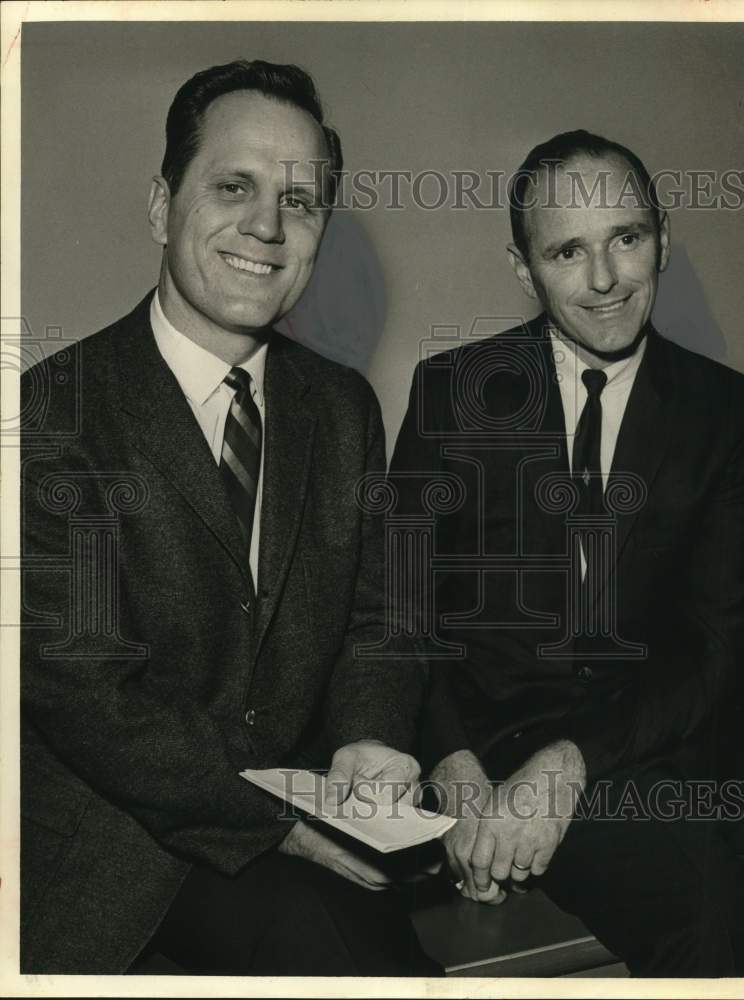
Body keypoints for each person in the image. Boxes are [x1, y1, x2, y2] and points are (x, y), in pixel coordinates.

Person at [20, 59, 439, 976]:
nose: (268, 226)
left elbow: (382, 617)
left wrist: (370, 737)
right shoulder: (56, 411)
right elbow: (87, 698)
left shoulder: (343, 408)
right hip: (120, 851)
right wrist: (278, 823)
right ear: (163, 206)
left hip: (306, 835)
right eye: (234, 187)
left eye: (302, 199)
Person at [390, 130, 744, 976]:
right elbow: (400, 614)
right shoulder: (451, 394)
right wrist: (455, 773)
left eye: (626, 239)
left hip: (640, 760)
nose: (604, 281)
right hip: (476, 761)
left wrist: (567, 768)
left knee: (710, 902)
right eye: (568, 251)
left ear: (663, 238)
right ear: (525, 270)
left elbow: (715, 653)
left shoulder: (735, 418)